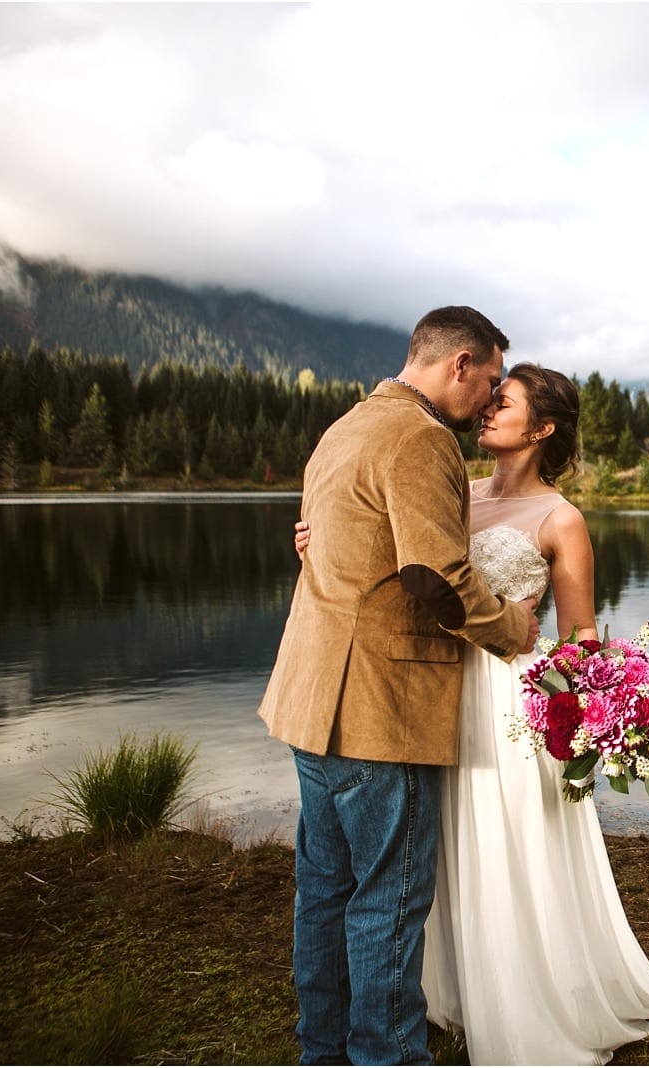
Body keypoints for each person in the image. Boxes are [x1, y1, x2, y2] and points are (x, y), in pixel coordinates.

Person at [295, 362, 649, 1065]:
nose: (486, 409)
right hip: (429, 688)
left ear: (542, 428)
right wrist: (320, 545)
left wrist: (600, 714)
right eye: (488, 396)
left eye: (504, 402)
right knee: (432, 849)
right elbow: (397, 562)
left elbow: (580, 635)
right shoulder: (454, 487)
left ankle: (523, 999)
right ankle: (444, 990)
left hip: (513, 704)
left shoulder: (561, 518)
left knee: (509, 847)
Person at [258, 306, 542, 1066]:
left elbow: (329, 545)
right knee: (389, 898)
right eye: (487, 381)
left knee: (324, 890)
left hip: (309, 697)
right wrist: (514, 629)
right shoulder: (420, 438)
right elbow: (436, 578)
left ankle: (323, 1052)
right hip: (379, 706)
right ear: (459, 364)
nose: (489, 399)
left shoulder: (347, 425)